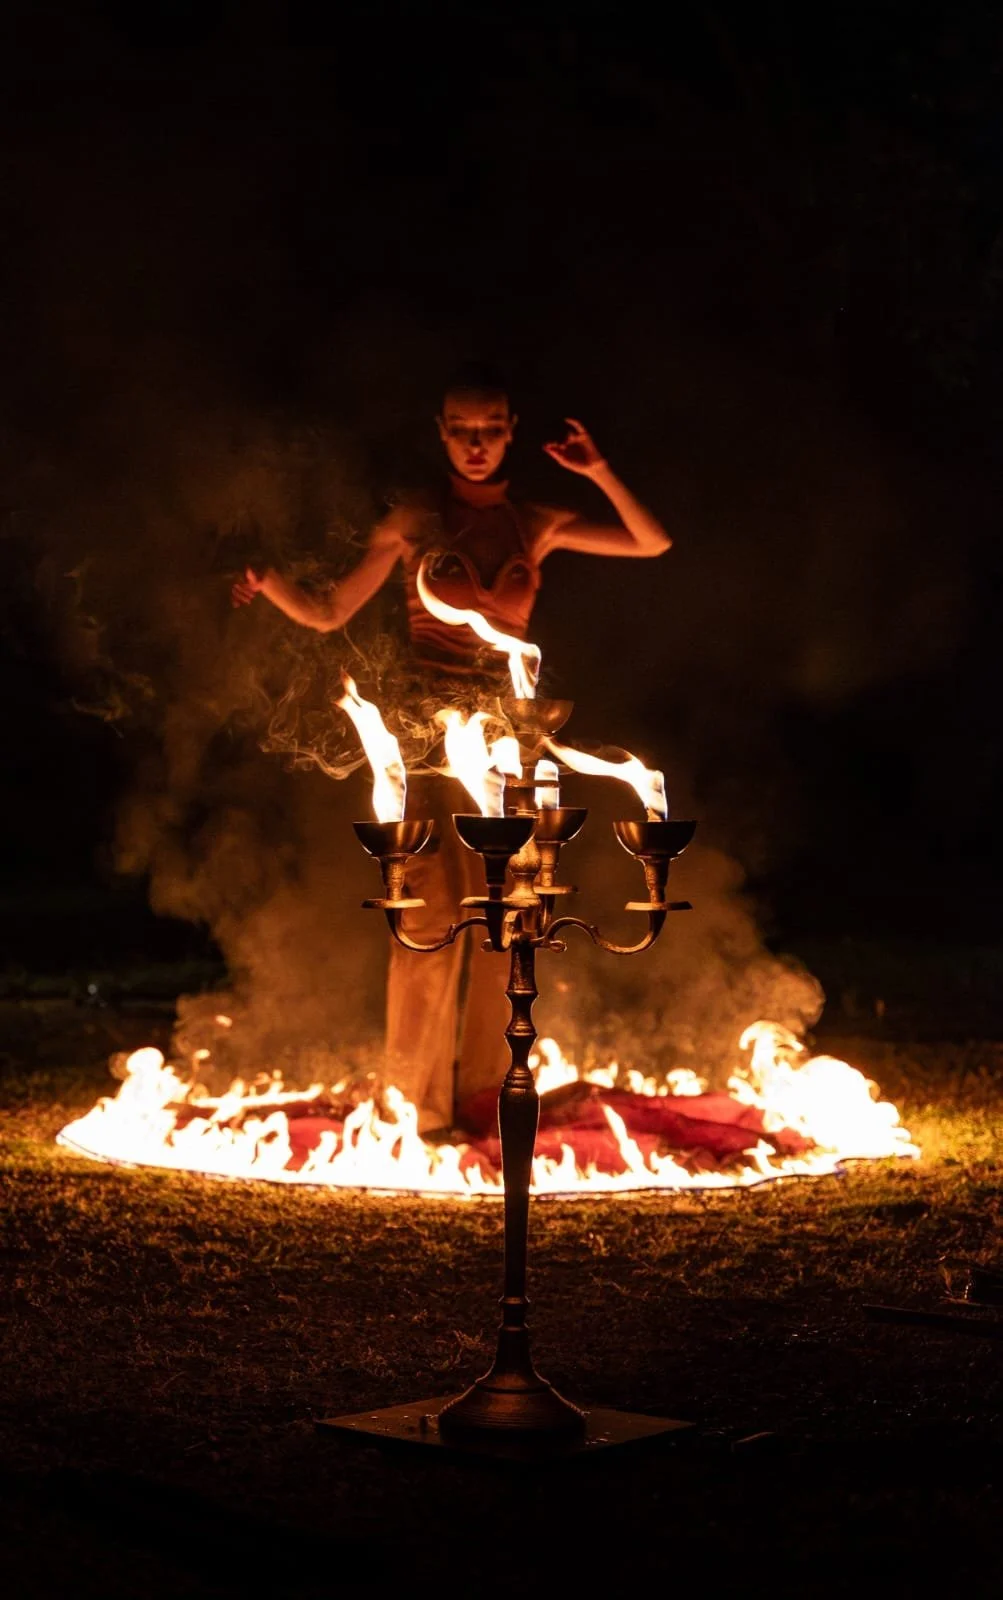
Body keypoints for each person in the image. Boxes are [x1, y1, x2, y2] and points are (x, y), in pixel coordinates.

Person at [232, 363, 671, 1131]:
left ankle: (480, 1094)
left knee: (512, 917)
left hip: (511, 742)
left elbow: (651, 541)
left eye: (490, 428)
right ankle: (414, 1107)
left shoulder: (535, 522)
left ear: (509, 431)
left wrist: (597, 468)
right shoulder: (414, 522)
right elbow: (332, 611)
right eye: (461, 430)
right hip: (430, 738)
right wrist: (266, 581)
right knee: (431, 919)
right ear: (441, 433)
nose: (476, 444)